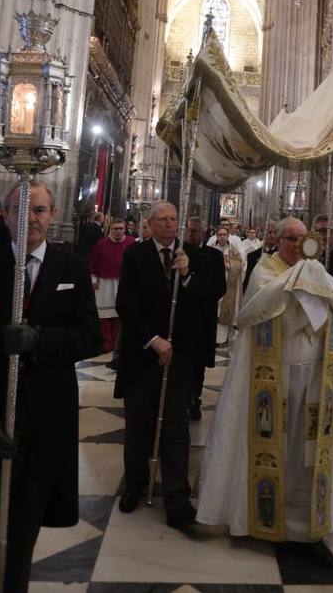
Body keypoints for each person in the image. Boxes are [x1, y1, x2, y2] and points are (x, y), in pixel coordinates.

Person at [0, 182, 101, 593]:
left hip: (41, 432)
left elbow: (91, 337)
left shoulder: (71, 271)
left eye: (38, 210)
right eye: (20, 209)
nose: (29, 219)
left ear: (52, 216)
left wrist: (41, 340)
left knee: (18, 548)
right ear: (4, 215)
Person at [197, 217, 333, 569]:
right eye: (292, 238)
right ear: (275, 240)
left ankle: (304, 525)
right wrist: (297, 282)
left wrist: (310, 277)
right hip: (274, 373)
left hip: (312, 374)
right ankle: (258, 516)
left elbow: (332, 297)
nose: (298, 244)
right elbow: (259, 305)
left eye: (302, 238)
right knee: (274, 446)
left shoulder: (315, 269)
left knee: (303, 450)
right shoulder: (264, 269)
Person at [114, 200, 216, 525]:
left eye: (175, 218)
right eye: (164, 219)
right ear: (151, 223)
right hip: (144, 352)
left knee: (175, 426)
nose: (172, 225)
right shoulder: (135, 255)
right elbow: (126, 304)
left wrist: (187, 276)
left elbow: (208, 298)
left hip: (181, 356)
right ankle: (135, 484)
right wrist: (154, 340)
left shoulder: (194, 256)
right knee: (139, 423)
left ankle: (177, 497)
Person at [183, 216, 226, 420]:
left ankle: (194, 398)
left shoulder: (214, 256)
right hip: (181, 317)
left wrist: (198, 289)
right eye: (189, 230)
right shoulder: (178, 252)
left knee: (198, 363)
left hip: (203, 317)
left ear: (203, 232)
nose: (192, 234)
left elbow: (220, 287)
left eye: (196, 231)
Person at [88, 217, 136, 354]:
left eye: (121, 228)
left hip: (124, 283)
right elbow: (93, 263)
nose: (119, 231)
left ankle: (117, 344)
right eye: (116, 228)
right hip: (105, 284)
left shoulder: (131, 243)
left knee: (120, 315)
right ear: (110, 229)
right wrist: (93, 279)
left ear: (125, 229)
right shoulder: (101, 244)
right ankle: (106, 344)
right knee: (104, 316)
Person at [211, 226, 244, 344]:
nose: (222, 237)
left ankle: (222, 339)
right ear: (216, 236)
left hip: (228, 283)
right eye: (220, 234)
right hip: (213, 285)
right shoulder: (211, 249)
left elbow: (239, 266)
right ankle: (211, 337)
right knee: (214, 310)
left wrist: (230, 266)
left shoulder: (234, 251)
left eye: (224, 234)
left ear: (228, 235)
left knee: (224, 310)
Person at [243, 219, 277, 293]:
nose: (272, 235)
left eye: (275, 232)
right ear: (263, 233)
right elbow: (248, 279)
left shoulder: (283, 254)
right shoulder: (252, 256)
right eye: (270, 232)